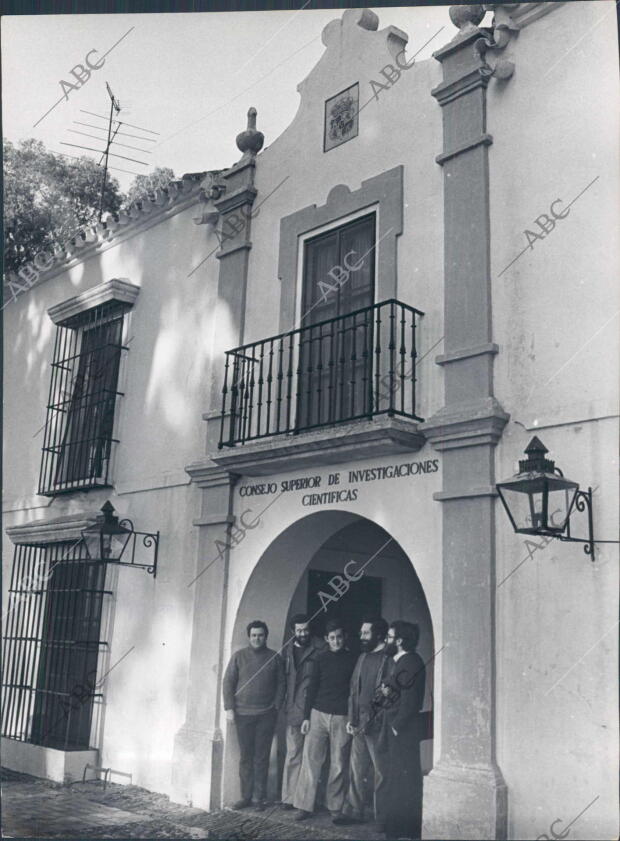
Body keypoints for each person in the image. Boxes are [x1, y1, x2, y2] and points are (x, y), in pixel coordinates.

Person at [292, 619, 356, 823]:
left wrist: (351, 717)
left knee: (338, 762)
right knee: (311, 760)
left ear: (343, 637)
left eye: (339, 637)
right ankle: (304, 806)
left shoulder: (352, 659)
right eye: (332, 638)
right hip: (317, 714)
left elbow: (354, 691)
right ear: (327, 639)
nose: (336, 641)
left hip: (341, 716)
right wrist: (306, 717)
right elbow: (311, 688)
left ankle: (335, 807)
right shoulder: (319, 658)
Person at [223, 620, 285, 811]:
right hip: (243, 715)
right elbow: (228, 682)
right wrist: (230, 708)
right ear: (249, 637)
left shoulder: (275, 658)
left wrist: (275, 706)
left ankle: (259, 798)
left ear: (265, 636)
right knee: (246, 757)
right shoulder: (238, 657)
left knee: (262, 757)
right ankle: (246, 796)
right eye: (254, 635)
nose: (257, 638)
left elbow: (282, 684)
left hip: (266, 715)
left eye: (260, 635)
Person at [335, 617, 390, 828]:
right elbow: (353, 691)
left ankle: (383, 818)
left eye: (366, 633)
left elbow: (389, 695)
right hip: (359, 724)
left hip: (377, 726)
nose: (362, 637)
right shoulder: (363, 657)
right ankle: (354, 811)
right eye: (361, 633)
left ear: (378, 634)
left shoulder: (388, 659)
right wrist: (352, 718)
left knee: (381, 772)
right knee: (356, 769)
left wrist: (375, 719)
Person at [381, 620, 426, 840]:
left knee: (402, 781)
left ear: (399, 641)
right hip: (400, 728)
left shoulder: (409, 662)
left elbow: (410, 701)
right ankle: (401, 829)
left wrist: (397, 726)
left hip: (403, 731)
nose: (386, 641)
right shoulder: (404, 661)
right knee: (400, 779)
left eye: (389, 637)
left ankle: (401, 830)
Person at [280, 614, 325, 810]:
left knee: (313, 756)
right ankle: (289, 797)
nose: (303, 633)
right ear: (293, 631)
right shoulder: (287, 650)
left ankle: (310, 800)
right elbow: (283, 680)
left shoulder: (321, 648)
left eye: (305, 629)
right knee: (293, 754)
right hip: (292, 710)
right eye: (299, 630)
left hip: (313, 708)